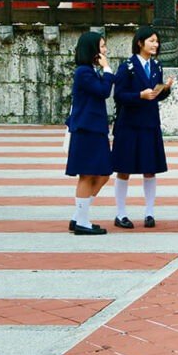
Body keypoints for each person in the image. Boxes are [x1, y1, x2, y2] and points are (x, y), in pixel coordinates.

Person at [111, 26, 172, 228]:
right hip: (129, 124)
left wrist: (165, 89)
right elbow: (119, 95)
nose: (156, 45)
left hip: (150, 122)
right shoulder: (127, 66)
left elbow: (155, 95)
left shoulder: (157, 66)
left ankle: (149, 212)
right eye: (151, 41)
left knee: (150, 169)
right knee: (124, 169)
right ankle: (121, 213)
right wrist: (139, 95)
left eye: (157, 41)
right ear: (140, 43)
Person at [65, 30, 115, 236]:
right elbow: (103, 92)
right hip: (86, 129)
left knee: (102, 174)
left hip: (94, 128)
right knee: (86, 175)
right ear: (92, 49)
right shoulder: (83, 72)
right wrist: (107, 69)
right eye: (102, 46)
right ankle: (82, 221)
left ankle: (79, 216)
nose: (105, 50)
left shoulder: (90, 71)